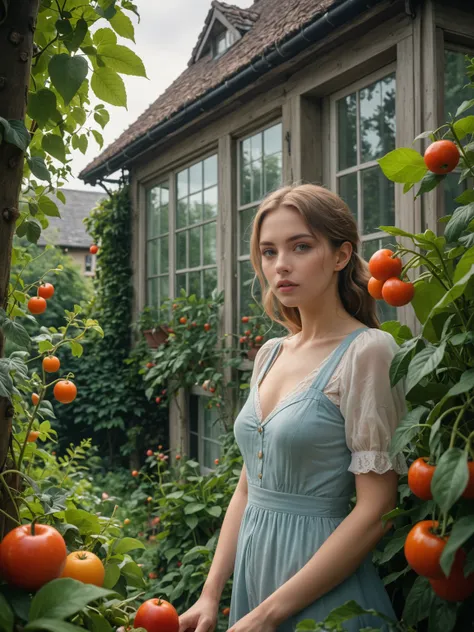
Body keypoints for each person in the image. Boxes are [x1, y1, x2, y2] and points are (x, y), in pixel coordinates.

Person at [178, 184, 407, 632]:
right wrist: (210, 596)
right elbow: (247, 490)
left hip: (323, 594)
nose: (280, 265)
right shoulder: (270, 354)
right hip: (255, 583)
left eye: (300, 246)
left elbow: (377, 507)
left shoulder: (368, 352)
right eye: (268, 252)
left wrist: (269, 615)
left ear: (341, 256)